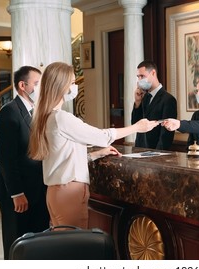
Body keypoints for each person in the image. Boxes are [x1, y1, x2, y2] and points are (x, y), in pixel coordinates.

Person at [28, 62, 158, 229]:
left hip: (55, 193)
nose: (75, 87)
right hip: (70, 192)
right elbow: (102, 136)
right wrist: (137, 127)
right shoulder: (62, 118)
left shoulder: (46, 117)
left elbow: (63, 156)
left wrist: (96, 155)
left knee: (61, 246)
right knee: (74, 248)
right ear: (62, 86)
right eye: (73, 83)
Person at [0, 66, 50, 259]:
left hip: (37, 189)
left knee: (37, 244)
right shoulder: (9, 112)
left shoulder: (35, 111)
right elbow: (6, 158)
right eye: (37, 83)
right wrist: (17, 193)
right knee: (17, 246)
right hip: (17, 193)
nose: (40, 88)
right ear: (22, 86)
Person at [131, 60, 177, 150]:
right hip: (139, 150)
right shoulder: (144, 98)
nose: (139, 80)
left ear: (153, 73)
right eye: (138, 77)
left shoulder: (168, 99)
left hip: (156, 153)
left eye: (142, 76)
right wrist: (137, 102)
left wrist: (157, 155)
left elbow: (166, 134)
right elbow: (135, 124)